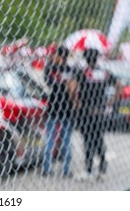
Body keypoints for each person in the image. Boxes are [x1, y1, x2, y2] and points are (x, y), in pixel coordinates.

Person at [73, 48, 121, 180]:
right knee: (99, 138)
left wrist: (77, 103)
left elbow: (73, 88)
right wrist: (111, 100)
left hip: (86, 112)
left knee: (88, 140)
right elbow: (119, 85)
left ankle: (89, 169)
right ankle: (102, 165)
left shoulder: (83, 73)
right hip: (100, 111)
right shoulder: (104, 72)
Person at [42, 45, 75, 178]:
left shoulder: (51, 69)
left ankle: (48, 168)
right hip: (63, 108)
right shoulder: (69, 70)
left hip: (56, 107)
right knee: (63, 140)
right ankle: (64, 170)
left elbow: (48, 81)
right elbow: (71, 87)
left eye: (56, 55)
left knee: (53, 139)